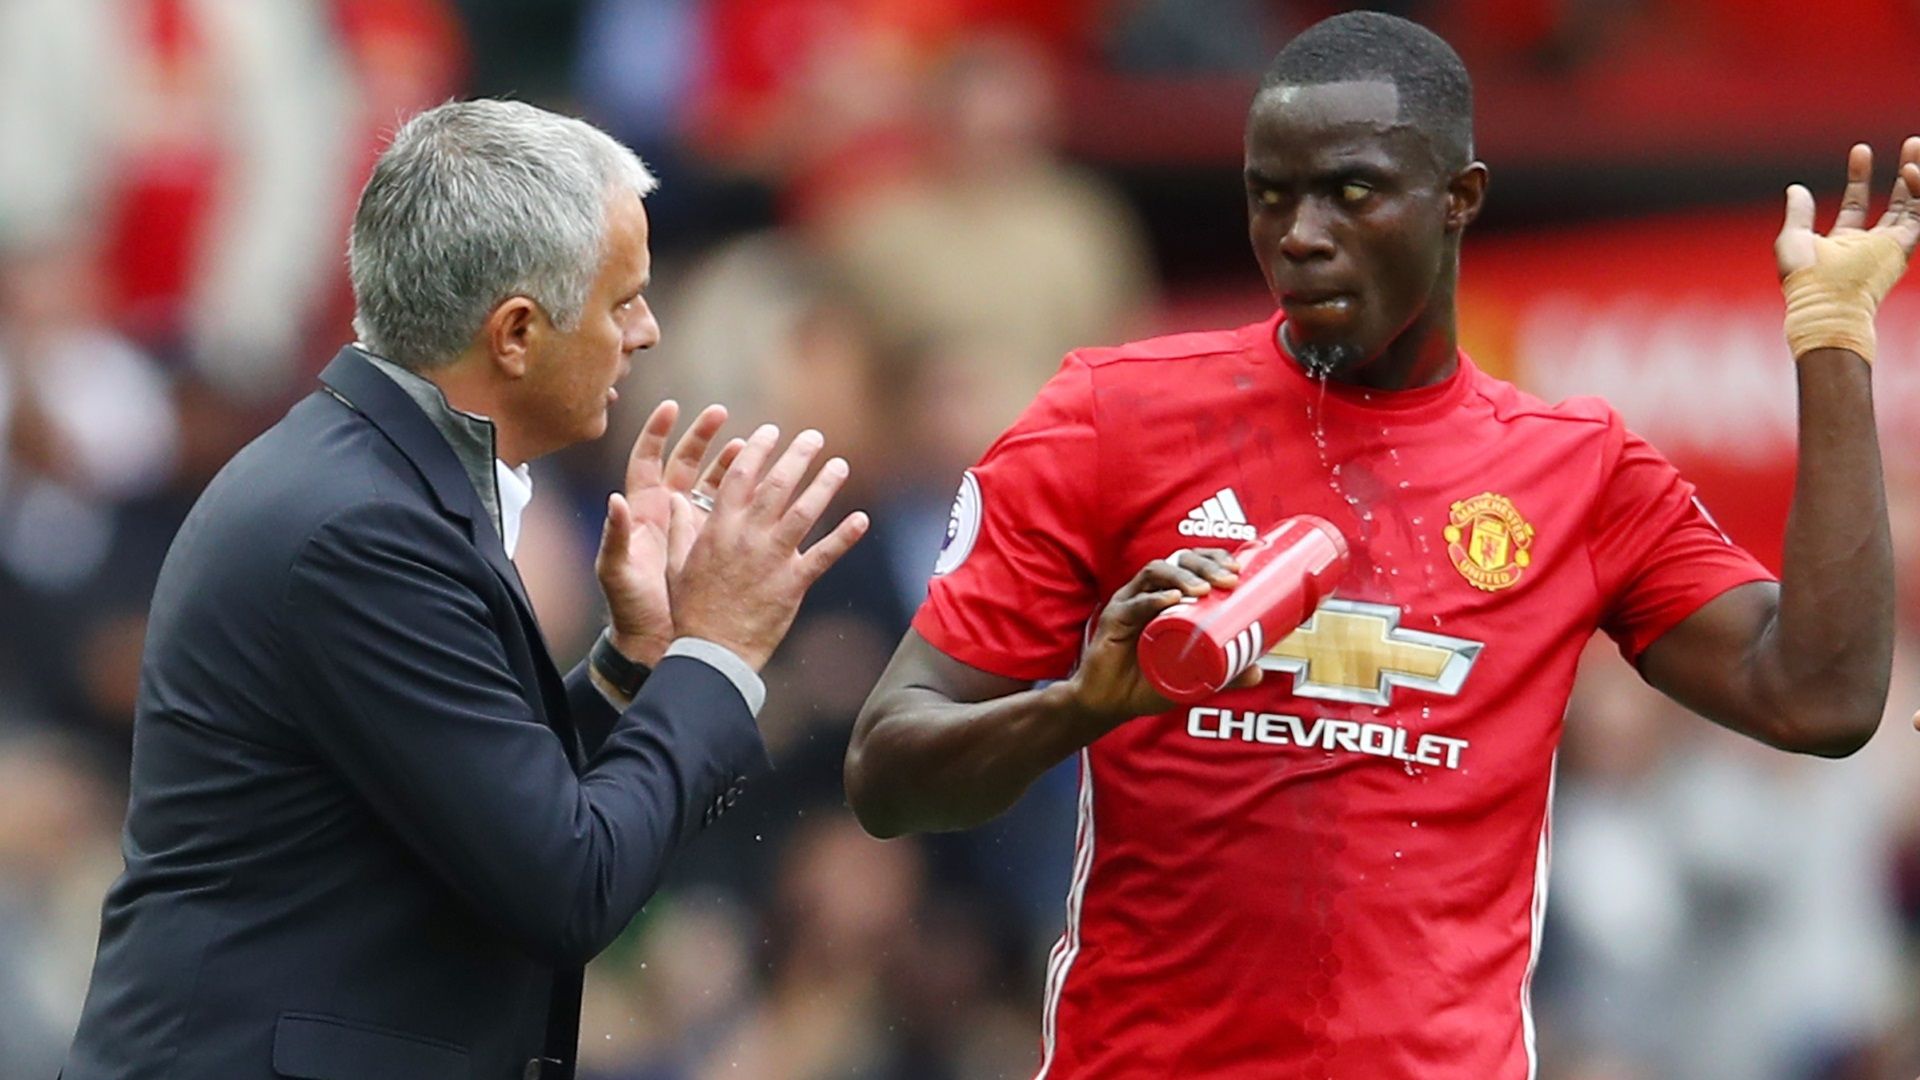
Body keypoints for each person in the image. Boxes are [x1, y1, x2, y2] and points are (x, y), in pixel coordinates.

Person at [845, 12, 1918, 1079]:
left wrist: (1833, 348)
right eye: (1271, 196)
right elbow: (886, 773)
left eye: (1350, 192)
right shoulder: (1105, 421)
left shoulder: (1577, 472)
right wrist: (1078, 707)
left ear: (1461, 200)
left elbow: (1819, 699)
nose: (1301, 233)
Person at [63, 99, 866, 1080]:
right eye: (623, 302)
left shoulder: (365, 485)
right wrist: (718, 648)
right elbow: (570, 881)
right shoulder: (359, 530)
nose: (648, 332)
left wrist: (634, 661)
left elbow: (489, 805)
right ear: (517, 333)